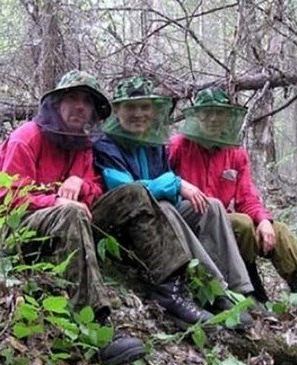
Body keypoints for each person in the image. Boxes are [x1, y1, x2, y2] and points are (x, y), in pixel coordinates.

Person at [0, 70, 147, 365]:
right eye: (73, 99)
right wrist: (56, 200)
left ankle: (167, 285)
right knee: (71, 210)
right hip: (20, 234)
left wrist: (79, 181)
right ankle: (96, 328)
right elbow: (6, 198)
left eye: (87, 102)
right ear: (57, 104)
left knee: (130, 194)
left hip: (68, 226)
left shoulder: (82, 146)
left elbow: (96, 191)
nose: (80, 107)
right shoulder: (27, 138)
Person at [168, 87, 297, 332]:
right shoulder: (178, 146)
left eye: (220, 113)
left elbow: (246, 196)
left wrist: (264, 220)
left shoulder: (235, 153)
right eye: (208, 114)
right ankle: (250, 289)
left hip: (226, 223)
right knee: (241, 224)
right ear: (197, 117)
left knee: (279, 232)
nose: (214, 119)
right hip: (195, 228)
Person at [92, 76, 256, 326]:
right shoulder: (105, 144)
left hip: (157, 217)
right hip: (127, 227)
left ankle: (239, 290)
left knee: (210, 205)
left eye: (145, 107)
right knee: (165, 207)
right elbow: (124, 188)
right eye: (131, 107)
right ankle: (213, 291)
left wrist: (177, 186)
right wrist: (176, 183)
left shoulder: (154, 142)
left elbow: (164, 181)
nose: (139, 114)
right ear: (117, 110)